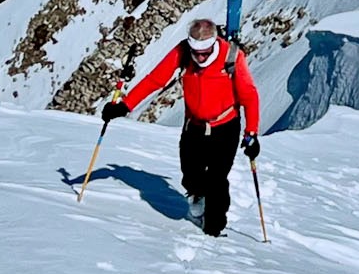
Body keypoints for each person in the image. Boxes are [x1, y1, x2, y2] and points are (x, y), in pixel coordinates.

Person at [101, 16, 260, 237]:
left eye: (205, 53)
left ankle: (215, 229)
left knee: (217, 180)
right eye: (197, 53)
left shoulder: (232, 56)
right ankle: (197, 195)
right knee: (191, 176)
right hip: (193, 127)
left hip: (225, 127)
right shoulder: (184, 52)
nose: (200, 58)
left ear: (214, 43)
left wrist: (251, 133)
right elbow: (155, 79)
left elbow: (249, 96)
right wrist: (124, 106)